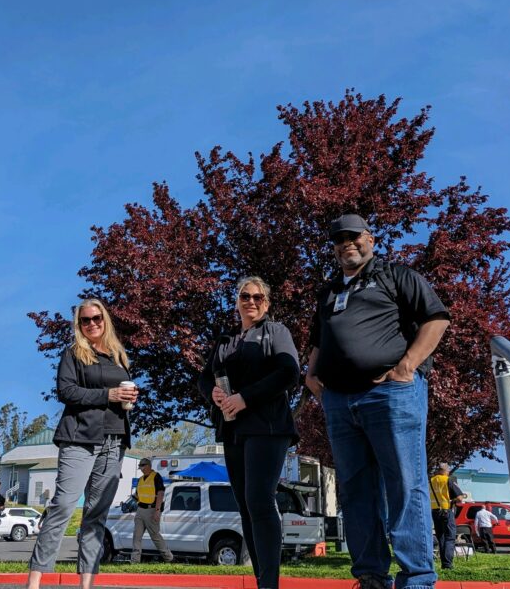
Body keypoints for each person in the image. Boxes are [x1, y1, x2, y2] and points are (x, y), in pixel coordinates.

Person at [304, 214, 450, 589]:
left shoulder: (396, 275)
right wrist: (311, 375)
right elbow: (319, 338)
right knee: (355, 491)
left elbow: (436, 319)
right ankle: (371, 576)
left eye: (354, 236)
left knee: (405, 484)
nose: (346, 243)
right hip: (340, 402)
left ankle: (417, 578)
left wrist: (407, 365)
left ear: (370, 239)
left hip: (390, 394)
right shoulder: (329, 291)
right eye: (339, 239)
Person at [26, 299, 137, 589]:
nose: (91, 324)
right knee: (63, 505)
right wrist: (108, 395)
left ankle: (86, 584)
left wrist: (127, 397)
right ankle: (34, 582)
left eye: (96, 318)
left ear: (105, 319)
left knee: (96, 514)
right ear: (79, 325)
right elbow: (66, 392)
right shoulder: (73, 354)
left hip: (114, 439)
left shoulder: (118, 355)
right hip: (79, 438)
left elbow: (119, 393)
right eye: (85, 320)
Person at [199, 276, 300, 589]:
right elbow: (205, 377)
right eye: (245, 296)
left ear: (266, 303)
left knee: (259, 500)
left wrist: (245, 398)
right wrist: (213, 393)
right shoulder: (226, 339)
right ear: (237, 302)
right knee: (245, 505)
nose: (251, 302)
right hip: (233, 430)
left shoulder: (276, 332)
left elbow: (289, 372)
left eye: (258, 297)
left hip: (267, 427)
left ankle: (270, 584)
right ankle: (261, 581)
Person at [130, 458, 173, 564]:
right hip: (140, 510)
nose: (141, 469)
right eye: (140, 467)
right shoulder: (140, 479)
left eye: (142, 466)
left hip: (152, 509)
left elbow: (160, 493)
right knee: (136, 536)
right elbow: (138, 495)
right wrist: (131, 501)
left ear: (148, 466)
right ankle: (135, 561)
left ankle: (169, 558)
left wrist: (157, 511)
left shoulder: (156, 476)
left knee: (155, 536)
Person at [429, 463, 465, 569]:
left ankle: (443, 563)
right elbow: (460, 498)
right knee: (450, 537)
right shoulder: (448, 480)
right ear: (446, 471)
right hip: (446, 511)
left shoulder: (430, 481)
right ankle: (447, 564)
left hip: (434, 512)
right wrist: (452, 501)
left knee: (441, 537)